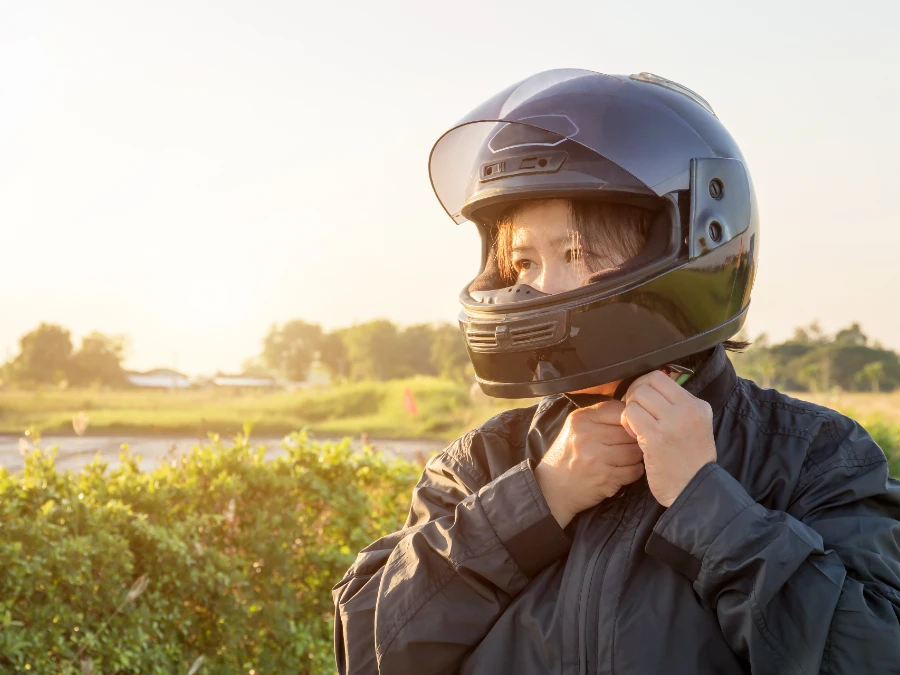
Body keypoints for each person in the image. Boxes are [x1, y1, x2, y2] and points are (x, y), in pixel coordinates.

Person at [332, 69, 900, 674]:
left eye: (575, 253)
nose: (537, 287)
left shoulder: (814, 456)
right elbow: (372, 652)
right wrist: (536, 500)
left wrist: (707, 504)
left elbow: (870, 655)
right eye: (522, 260)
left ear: (689, 241)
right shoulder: (484, 464)